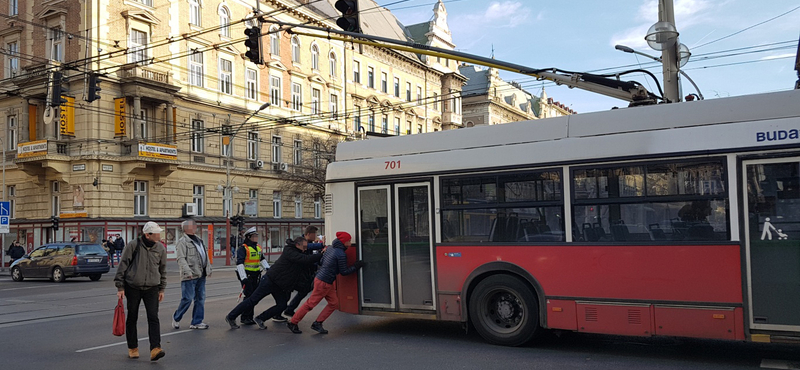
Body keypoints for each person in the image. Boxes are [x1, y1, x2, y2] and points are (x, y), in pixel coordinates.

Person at [225, 236, 323, 330]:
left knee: (282, 305)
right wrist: (322, 254)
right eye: (304, 247)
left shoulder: (298, 252)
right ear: (297, 245)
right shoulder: (289, 251)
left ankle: (261, 318)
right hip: (270, 280)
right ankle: (231, 316)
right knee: (253, 300)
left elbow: (307, 263)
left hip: (279, 284)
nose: (305, 249)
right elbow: (304, 259)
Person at [288, 232, 364, 334]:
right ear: (344, 242)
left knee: (334, 304)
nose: (350, 243)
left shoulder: (330, 248)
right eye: (349, 241)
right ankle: (293, 322)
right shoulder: (341, 254)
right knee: (310, 304)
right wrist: (356, 266)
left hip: (324, 280)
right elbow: (344, 272)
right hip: (325, 282)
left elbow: (321, 262)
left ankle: (318, 323)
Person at [114, 221, 167, 361]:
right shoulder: (133, 245)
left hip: (152, 287)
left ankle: (155, 348)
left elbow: (163, 270)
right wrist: (120, 287)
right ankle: (133, 348)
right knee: (132, 317)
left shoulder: (160, 248)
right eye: (157, 233)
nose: (159, 235)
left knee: (153, 317)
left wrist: (162, 288)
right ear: (148, 235)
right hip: (133, 287)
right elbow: (123, 265)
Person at [273, 226, 324, 322]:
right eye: (315, 234)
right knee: (288, 292)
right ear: (309, 234)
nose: (316, 236)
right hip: (294, 272)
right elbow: (308, 251)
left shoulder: (309, 242)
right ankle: (279, 312)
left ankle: (287, 310)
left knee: (302, 290)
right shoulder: (302, 242)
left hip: (302, 272)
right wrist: (322, 246)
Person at [172, 219, 212, 330]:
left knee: (200, 298)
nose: (196, 226)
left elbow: (205, 255)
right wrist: (187, 271)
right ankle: (176, 317)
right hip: (189, 275)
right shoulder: (182, 241)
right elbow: (181, 258)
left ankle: (196, 321)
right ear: (187, 228)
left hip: (201, 274)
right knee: (188, 299)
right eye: (193, 225)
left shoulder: (199, 240)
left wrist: (208, 268)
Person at [228, 227, 269, 326]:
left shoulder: (258, 247)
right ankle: (245, 317)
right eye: (254, 236)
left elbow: (262, 259)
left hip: (256, 275)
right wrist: (243, 278)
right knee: (249, 297)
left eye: (256, 236)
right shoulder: (243, 248)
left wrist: (268, 269)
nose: (256, 238)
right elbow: (240, 263)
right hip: (247, 275)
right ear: (248, 237)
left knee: (253, 297)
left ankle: (249, 317)